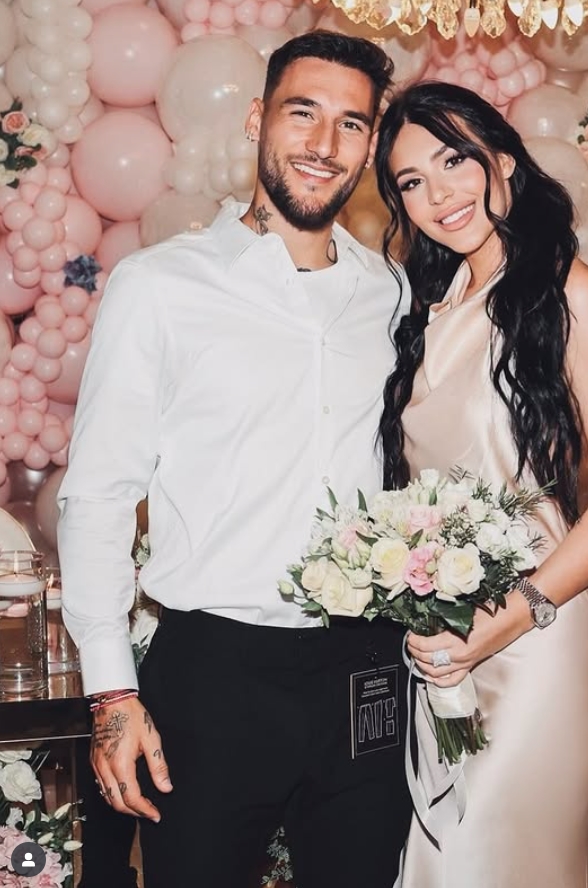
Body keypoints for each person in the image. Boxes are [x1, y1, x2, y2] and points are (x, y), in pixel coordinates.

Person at [57, 31, 412, 888]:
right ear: (257, 119)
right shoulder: (160, 286)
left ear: (371, 145)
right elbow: (99, 494)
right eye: (302, 113)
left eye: (351, 124)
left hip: (366, 668)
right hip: (215, 674)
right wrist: (113, 694)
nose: (323, 144)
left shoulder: (392, 294)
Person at [374, 81, 588, 888]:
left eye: (453, 160)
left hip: (539, 638)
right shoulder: (425, 312)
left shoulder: (568, 290)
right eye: (411, 182)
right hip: (444, 644)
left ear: (502, 159)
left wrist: (510, 616)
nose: (439, 194)